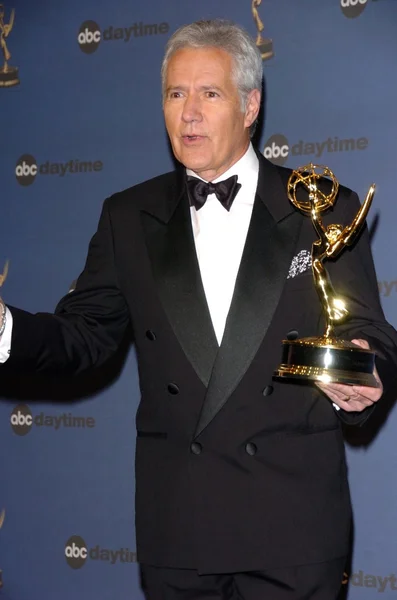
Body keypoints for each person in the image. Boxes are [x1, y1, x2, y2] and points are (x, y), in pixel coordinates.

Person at [1, 19, 397, 600]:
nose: (188, 113)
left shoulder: (322, 207)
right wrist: (6, 328)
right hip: (180, 530)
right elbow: (83, 336)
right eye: (175, 94)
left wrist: (367, 370)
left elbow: (367, 330)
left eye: (209, 94)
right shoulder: (127, 217)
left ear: (250, 104)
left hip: (293, 527)